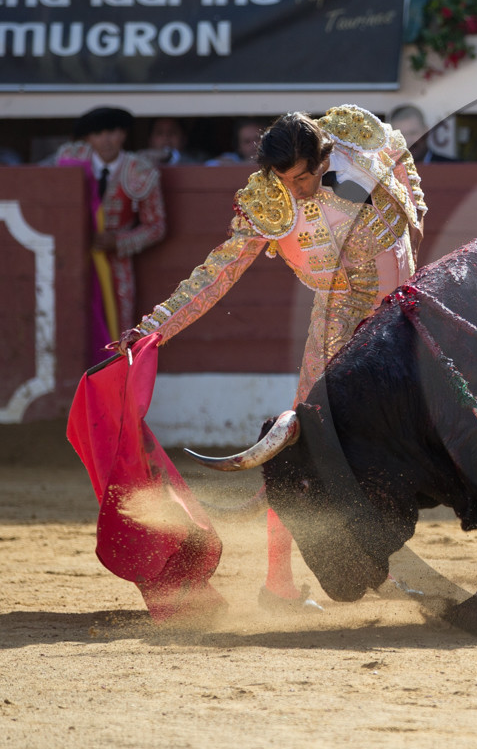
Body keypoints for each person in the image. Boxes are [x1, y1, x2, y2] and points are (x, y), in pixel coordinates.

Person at [119, 105, 428, 612]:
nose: (298, 190)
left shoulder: (358, 137)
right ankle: (279, 586)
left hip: (402, 310)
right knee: (294, 447)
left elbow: (401, 155)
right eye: (286, 180)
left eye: (304, 177)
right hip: (339, 311)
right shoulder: (269, 199)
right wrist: (154, 328)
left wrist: (415, 214)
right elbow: (217, 272)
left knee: (396, 444)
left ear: (323, 156)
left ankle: (383, 569)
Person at [54, 106, 167, 366]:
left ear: (123, 135)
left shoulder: (140, 170)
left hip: (116, 264)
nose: (106, 140)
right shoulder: (69, 160)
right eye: (98, 134)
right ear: (87, 139)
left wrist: (119, 242)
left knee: (117, 326)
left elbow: (157, 226)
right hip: (71, 259)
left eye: (113, 132)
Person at [389, 104, 457, 163]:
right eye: (401, 135)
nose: (408, 140)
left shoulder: (453, 168)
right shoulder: (383, 173)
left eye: (413, 133)